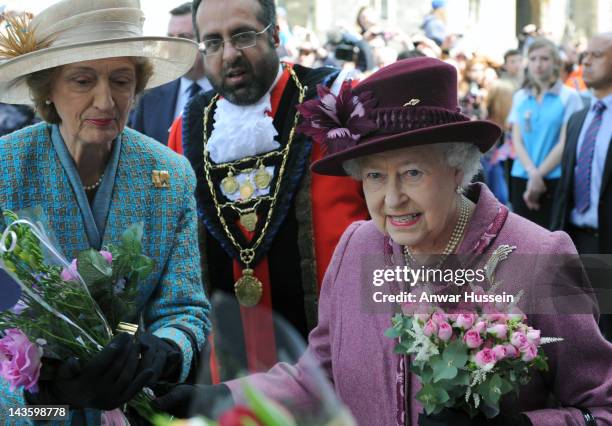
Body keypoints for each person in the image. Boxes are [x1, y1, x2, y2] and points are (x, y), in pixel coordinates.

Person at [154, 57, 612, 425]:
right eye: (374, 176)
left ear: (457, 169)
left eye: (412, 172)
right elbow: (319, 376)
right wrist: (220, 397)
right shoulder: (357, 247)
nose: (392, 198)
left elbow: (601, 407)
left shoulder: (542, 255)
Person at [0, 0, 211, 423]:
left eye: (121, 80)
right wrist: (48, 387)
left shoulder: (169, 173)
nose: (106, 100)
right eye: (82, 81)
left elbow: (185, 307)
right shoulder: (5, 168)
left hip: (134, 405)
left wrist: (163, 351)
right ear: (47, 89)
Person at [166, 0, 368, 375]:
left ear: (275, 34)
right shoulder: (187, 129)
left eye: (242, 35)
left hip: (343, 362)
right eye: (212, 42)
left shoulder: (335, 102)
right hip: (231, 373)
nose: (229, 55)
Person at [552, 32, 612, 339]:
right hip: (575, 241)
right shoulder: (578, 118)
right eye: (584, 54)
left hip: (607, 240)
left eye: (597, 55)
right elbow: (566, 188)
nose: (585, 61)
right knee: (576, 329)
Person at [508, 38, 583, 229]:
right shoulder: (520, 96)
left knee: (553, 241)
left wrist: (538, 176)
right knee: (523, 241)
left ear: (556, 63)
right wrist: (532, 174)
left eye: (544, 58)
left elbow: (565, 143)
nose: (538, 64)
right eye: (532, 59)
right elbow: (517, 139)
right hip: (522, 176)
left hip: (554, 178)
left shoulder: (570, 97)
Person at [128, 2, 212, 144]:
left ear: (205, 39)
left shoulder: (228, 92)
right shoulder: (149, 95)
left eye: (184, 37)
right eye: (171, 37)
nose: (175, 45)